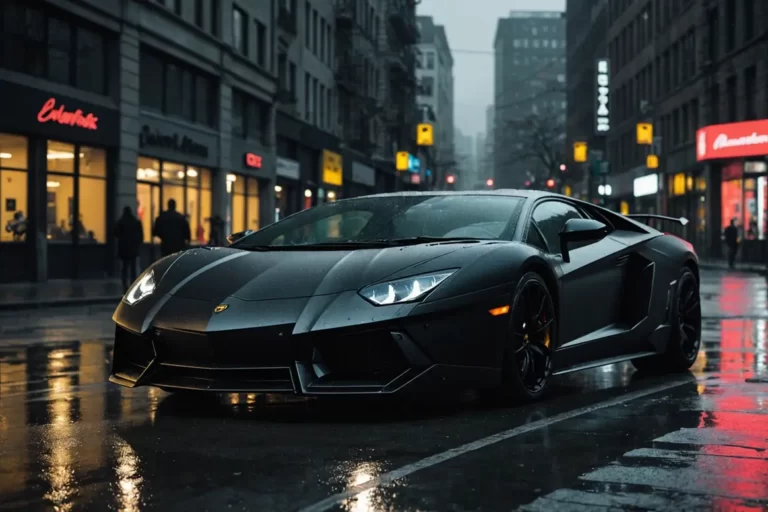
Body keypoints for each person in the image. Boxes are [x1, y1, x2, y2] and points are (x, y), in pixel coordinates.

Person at [114, 206, 143, 291]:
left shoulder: (120, 222)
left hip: (123, 249)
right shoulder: (136, 222)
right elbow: (141, 236)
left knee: (124, 268)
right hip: (133, 248)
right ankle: (133, 285)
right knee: (133, 268)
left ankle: (124, 286)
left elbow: (115, 234)